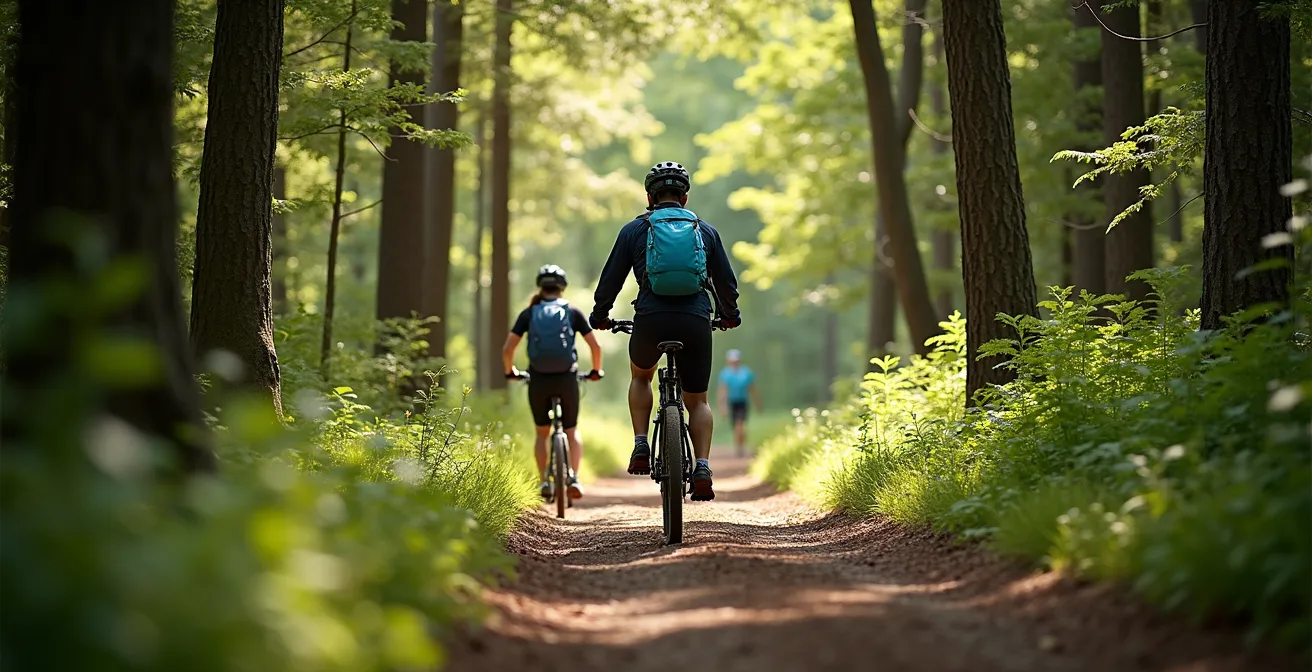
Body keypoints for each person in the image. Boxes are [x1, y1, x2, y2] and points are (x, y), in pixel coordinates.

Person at [589, 161, 741, 501]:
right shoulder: (706, 231)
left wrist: (601, 316)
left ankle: (641, 444)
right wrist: (730, 316)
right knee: (698, 400)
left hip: (650, 318)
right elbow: (726, 284)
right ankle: (702, 466)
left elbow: (610, 280)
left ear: (649, 197)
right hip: (695, 320)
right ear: (684, 198)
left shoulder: (634, 230)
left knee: (641, 375)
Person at [502, 264, 603, 502]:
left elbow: (508, 349)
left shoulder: (529, 313)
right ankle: (574, 478)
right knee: (571, 429)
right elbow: (595, 346)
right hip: (567, 378)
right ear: (562, 287)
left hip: (538, 379)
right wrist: (596, 370)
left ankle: (544, 481)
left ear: (541, 286)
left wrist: (511, 372)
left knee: (541, 432)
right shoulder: (573, 312)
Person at [717, 349, 760, 458]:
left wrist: (757, 403)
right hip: (732, 402)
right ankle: (739, 447)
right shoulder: (726, 373)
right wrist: (723, 406)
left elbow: (752, 388)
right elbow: (723, 390)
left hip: (743, 402)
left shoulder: (746, 372)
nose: (734, 362)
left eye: (736, 360)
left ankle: (741, 447)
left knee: (741, 425)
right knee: (737, 426)